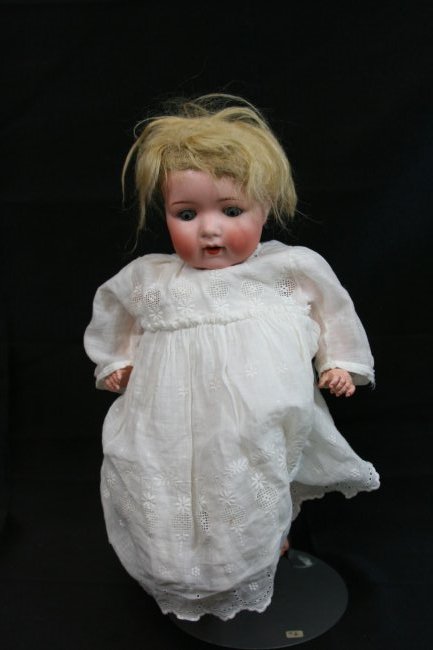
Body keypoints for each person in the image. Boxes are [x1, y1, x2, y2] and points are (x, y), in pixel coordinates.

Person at [84, 93, 380, 621]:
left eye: (232, 210)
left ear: (265, 208)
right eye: (187, 214)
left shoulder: (288, 269)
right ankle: (179, 572)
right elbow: (116, 314)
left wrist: (338, 363)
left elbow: (332, 313)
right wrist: (116, 362)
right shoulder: (151, 278)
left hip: (259, 418)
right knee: (166, 484)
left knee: (251, 481)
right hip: (170, 423)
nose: (209, 229)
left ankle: (258, 551)